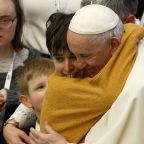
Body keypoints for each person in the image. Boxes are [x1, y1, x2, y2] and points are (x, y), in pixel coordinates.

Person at [39, 4, 144, 143]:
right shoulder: (60, 83)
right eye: (74, 55)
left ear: (113, 45)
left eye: (85, 56)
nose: (78, 65)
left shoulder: (135, 86)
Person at [3, 13, 82, 144]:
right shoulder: (56, 78)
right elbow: (37, 101)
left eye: (74, 57)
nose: (68, 67)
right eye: (59, 59)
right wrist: (10, 125)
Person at [0, 0, 41, 142]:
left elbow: (49, 100)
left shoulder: (35, 62)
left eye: (5, 20)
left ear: (18, 21)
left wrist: (9, 97)